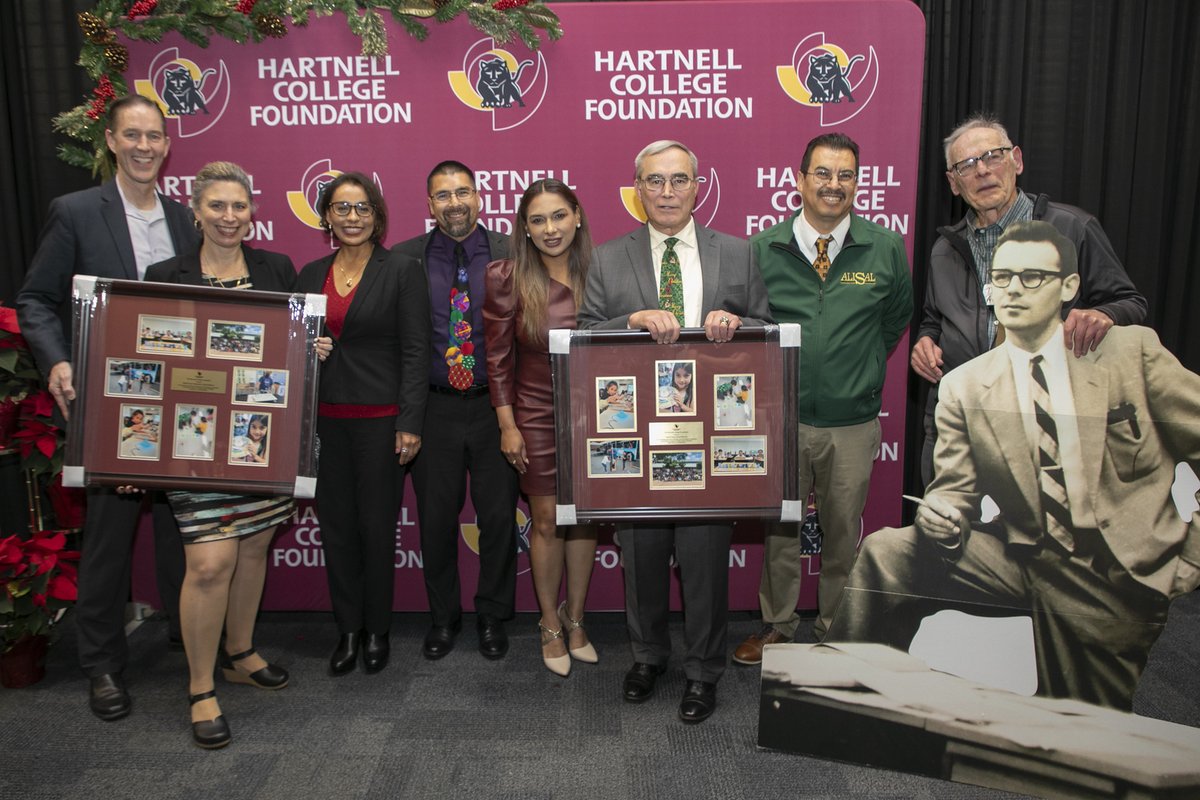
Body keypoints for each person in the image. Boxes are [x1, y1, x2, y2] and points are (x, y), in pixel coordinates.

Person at [829, 221, 1200, 710]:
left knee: (1087, 734)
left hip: (1114, 572)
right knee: (887, 552)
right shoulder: (964, 385)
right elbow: (954, 491)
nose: (1014, 290)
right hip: (1022, 555)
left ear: (1068, 287)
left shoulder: (1131, 354)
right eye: (1002, 279)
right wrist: (941, 514)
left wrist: (1189, 558)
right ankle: (843, 701)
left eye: (1032, 278)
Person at [15, 94, 198, 722]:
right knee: (108, 541)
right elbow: (35, 299)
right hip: (111, 402)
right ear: (113, 141)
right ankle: (101, 665)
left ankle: (190, 647)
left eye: (156, 136)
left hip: (178, 402)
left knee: (184, 532)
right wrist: (58, 360)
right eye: (134, 135)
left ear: (167, 146)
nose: (146, 146)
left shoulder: (184, 219)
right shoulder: (73, 213)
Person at [578, 139, 772, 723]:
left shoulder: (737, 253)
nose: (667, 192)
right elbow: (586, 334)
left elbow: (767, 328)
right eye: (655, 181)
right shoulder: (609, 257)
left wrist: (738, 323)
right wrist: (630, 321)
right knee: (641, 552)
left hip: (710, 437)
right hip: (634, 433)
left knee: (705, 556)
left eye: (678, 180)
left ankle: (703, 670)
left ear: (698, 185)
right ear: (638, 188)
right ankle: (648, 656)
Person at [144, 160, 317, 748]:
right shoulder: (165, 274)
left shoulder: (277, 268)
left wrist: (311, 345)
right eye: (216, 206)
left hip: (258, 440)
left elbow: (290, 350)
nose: (228, 216)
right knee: (210, 563)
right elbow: (152, 362)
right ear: (195, 212)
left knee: (252, 547)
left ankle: (240, 651)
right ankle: (199, 685)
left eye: (238, 206)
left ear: (252, 211)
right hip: (192, 442)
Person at [735, 132, 913, 664]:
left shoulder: (884, 247)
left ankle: (836, 627)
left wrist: (855, 372)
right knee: (782, 531)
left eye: (845, 175)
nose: (833, 185)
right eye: (823, 174)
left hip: (852, 424)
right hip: (782, 421)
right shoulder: (763, 249)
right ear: (799, 180)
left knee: (842, 535)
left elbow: (893, 321)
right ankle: (777, 627)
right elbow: (749, 328)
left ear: (857, 183)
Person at [911, 113, 1146, 484]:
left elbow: (1130, 303)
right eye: (967, 165)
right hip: (961, 425)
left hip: (1048, 428)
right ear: (953, 183)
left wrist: (1104, 315)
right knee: (957, 536)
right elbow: (932, 320)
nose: (983, 171)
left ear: (1016, 160)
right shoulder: (945, 249)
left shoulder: (1071, 229)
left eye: (993, 156)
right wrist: (925, 342)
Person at [297, 172, 430, 677]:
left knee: (376, 530)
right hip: (325, 423)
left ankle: (378, 630)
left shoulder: (401, 270)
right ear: (326, 216)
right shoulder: (309, 274)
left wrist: (411, 421)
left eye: (362, 208)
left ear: (377, 215)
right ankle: (347, 629)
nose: (352, 218)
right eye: (341, 208)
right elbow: (292, 346)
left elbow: (417, 350)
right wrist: (310, 351)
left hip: (382, 423)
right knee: (336, 531)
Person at [394, 161, 518, 661]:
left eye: (462, 192)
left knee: (498, 518)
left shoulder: (514, 250)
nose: (454, 203)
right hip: (436, 410)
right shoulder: (407, 259)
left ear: (479, 195)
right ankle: (443, 618)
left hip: (497, 410)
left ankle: (492, 615)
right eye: (442, 195)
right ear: (429, 204)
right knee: (437, 520)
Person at [482, 179, 598, 677]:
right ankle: (549, 623)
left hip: (600, 416)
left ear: (577, 216)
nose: (550, 229)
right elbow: (497, 358)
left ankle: (577, 620)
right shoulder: (507, 276)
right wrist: (508, 425)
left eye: (558, 216)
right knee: (548, 522)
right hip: (534, 414)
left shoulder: (605, 270)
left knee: (587, 520)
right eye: (537, 220)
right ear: (524, 229)